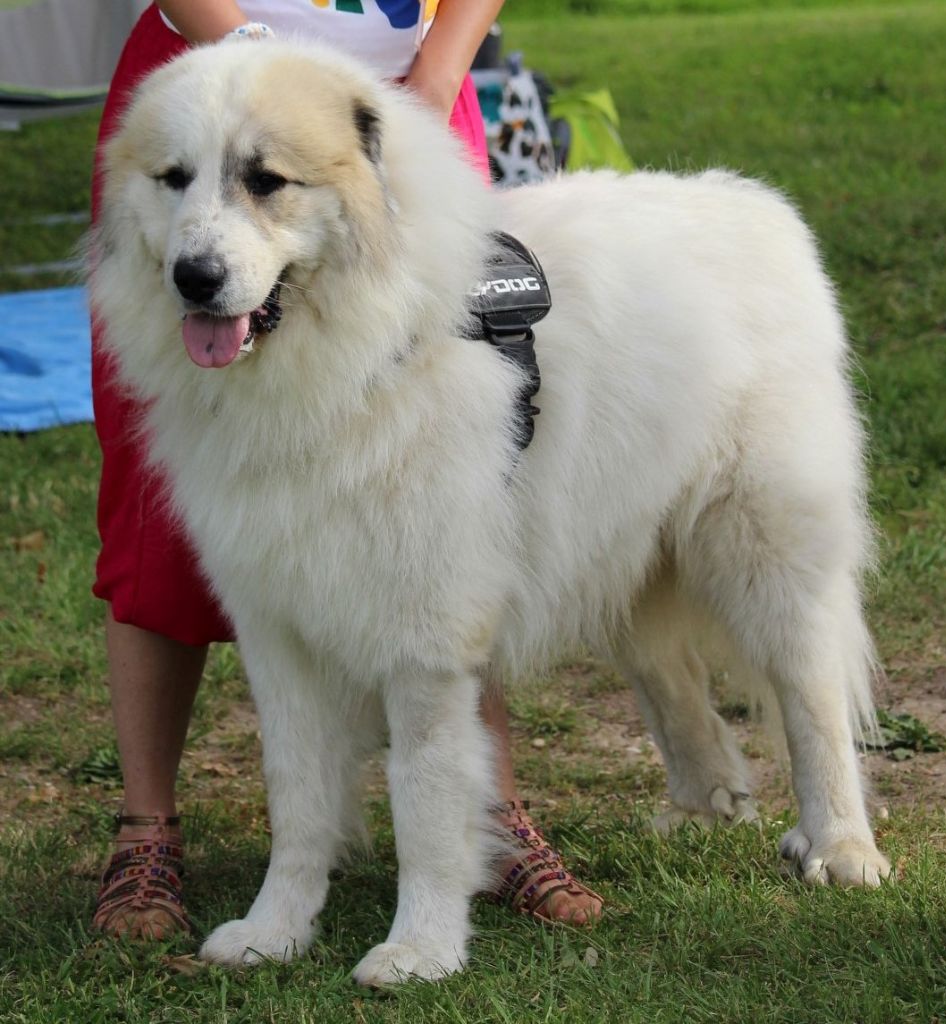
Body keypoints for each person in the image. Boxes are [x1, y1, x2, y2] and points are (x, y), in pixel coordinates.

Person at [91, 1, 603, 942]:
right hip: (197, 83)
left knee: (443, 525)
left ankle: (483, 825)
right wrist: (248, 50)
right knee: (166, 539)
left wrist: (445, 68)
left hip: (403, 116)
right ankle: (150, 829)